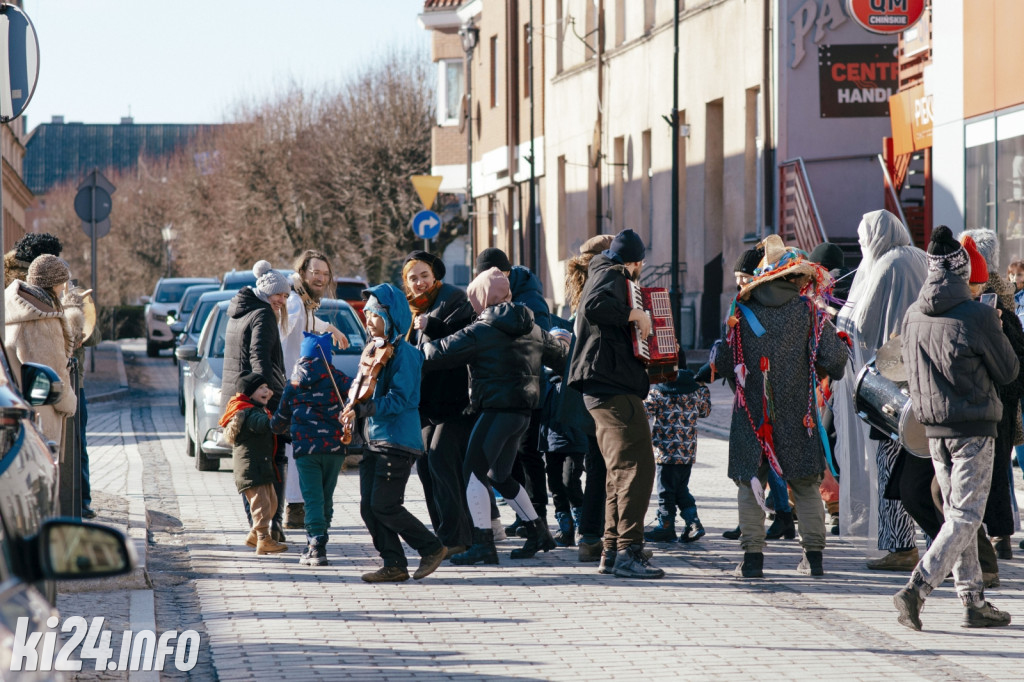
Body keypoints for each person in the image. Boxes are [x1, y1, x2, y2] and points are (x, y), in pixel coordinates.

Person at [894, 225, 1018, 630]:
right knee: (965, 516)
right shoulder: (978, 314)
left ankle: (973, 600)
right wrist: (995, 328)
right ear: (964, 271)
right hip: (973, 425)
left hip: (934, 430)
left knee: (957, 515)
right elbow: (1009, 370)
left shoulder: (913, 314)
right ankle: (918, 587)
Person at [714, 236, 849, 578]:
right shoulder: (810, 314)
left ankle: (752, 560)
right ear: (793, 279)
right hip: (799, 414)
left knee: (750, 483)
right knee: (805, 484)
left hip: (751, 414)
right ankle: (813, 559)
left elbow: (726, 361)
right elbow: (835, 361)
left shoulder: (739, 313)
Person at [422, 267, 569, 565]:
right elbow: (563, 358)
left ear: (481, 298)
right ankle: (539, 532)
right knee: (499, 476)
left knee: (473, 472)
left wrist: (417, 343)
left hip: (495, 411)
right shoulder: (533, 328)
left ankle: (483, 544)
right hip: (523, 414)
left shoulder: (482, 330)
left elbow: (436, 354)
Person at [567, 228, 665, 579]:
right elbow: (595, 307)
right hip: (610, 385)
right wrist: (634, 317)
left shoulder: (602, 272)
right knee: (637, 468)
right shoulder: (610, 273)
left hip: (609, 383)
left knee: (619, 470)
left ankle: (612, 549)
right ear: (636, 262)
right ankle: (628, 551)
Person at [833, 210, 927, 571]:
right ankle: (939, 543)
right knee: (929, 468)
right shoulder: (918, 256)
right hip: (927, 380)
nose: (861, 246)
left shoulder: (887, 264)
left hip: (893, 383)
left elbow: (863, 324)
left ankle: (900, 545)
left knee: (889, 467)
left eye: (862, 240)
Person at [342, 283, 446, 583]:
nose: (367, 320)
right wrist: (351, 406)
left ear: (391, 317)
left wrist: (364, 409)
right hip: (375, 439)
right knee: (369, 508)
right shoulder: (373, 350)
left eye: (373, 315)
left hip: (398, 440)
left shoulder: (407, 355)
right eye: (367, 315)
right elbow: (362, 390)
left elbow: (401, 400)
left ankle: (431, 547)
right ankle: (394, 564)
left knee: (385, 505)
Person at [403, 250, 476, 556]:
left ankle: (459, 537)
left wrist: (431, 325)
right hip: (425, 404)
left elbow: (460, 342)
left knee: (441, 461)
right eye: (412, 277)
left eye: (424, 275)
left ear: (435, 275)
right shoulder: (410, 308)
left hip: (455, 402)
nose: (419, 282)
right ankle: (444, 536)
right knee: (426, 466)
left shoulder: (453, 300)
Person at [476, 247, 552, 535]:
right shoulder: (503, 290)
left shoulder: (529, 298)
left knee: (528, 453)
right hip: (510, 387)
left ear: (504, 273)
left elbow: (540, 341)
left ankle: (537, 513)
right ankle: (525, 515)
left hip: (529, 387)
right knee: (512, 457)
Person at [959, 231, 1024, 564]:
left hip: (989, 387)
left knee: (985, 468)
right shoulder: (1005, 287)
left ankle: (990, 538)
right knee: (998, 467)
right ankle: (1002, 536)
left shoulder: (978, 290)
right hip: (1006, 387)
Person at [279, 250, 350, 531]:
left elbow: (309, 322)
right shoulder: (295, 302)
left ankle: (296, 509)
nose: (320, 278)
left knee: (299, 448)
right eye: (315, 273)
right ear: (303, 273)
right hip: (293, 385)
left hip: (297, 385)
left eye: (325, 273)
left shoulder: (301, 301)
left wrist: (331, 328)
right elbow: (282, 332)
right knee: (299, 449)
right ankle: (295, 509)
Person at [221, 261, 291, 542]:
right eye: (279, 295)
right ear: (265, 291)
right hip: (259, 399)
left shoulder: (239, 310)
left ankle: (255, 525)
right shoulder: (263, 314)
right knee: (273, 460)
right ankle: (269, 526)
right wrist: (266, 398)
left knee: (246, 463)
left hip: (237, 400)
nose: (282, 301)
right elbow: (258, 359)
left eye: (286, 297)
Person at [272, 332, 352, 566]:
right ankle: (320, 539)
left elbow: (280, 418)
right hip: (335, 448)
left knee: (313, 498)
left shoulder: (294, 381)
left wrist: (271, 426)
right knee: (326, 496)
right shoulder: (337, 376)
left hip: (306, 449)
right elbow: (357, 392)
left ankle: (316, 545)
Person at [563, 234, 613, 561]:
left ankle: (590, 536)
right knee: (610, 467)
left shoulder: (584, 291)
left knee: (596, 465)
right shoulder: (604, 289)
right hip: (603, 388)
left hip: (581, 391)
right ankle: (603, 536)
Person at [5, 255, 78, 443]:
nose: (63, 288)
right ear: (53, 284)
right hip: (42, 412)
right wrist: (70, 403)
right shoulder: (43, 321)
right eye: (62, 283)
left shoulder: (15, 308)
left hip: (16, 404)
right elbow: (55, 373)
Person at [221, 371, 287, 556]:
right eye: (261, 388)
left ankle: (253, 535)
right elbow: (262, 424)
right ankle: (263, 540)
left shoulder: (257, 409)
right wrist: (277, 419)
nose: (267, 391)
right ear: (249, 394)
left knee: (272, 503)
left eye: (267, 387)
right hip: (251, 470)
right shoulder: (249, 413)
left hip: (261, 467)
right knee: (261, 506)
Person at [643, 370, 712, 544]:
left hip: (665, 452)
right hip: (687, 451)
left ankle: (666, 526)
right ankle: (693, 522)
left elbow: (645, 411)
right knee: (681, 488)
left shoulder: (659, 391)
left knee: (665, 490)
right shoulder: (696, 392)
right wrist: (703, 389)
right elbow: (705, 411)